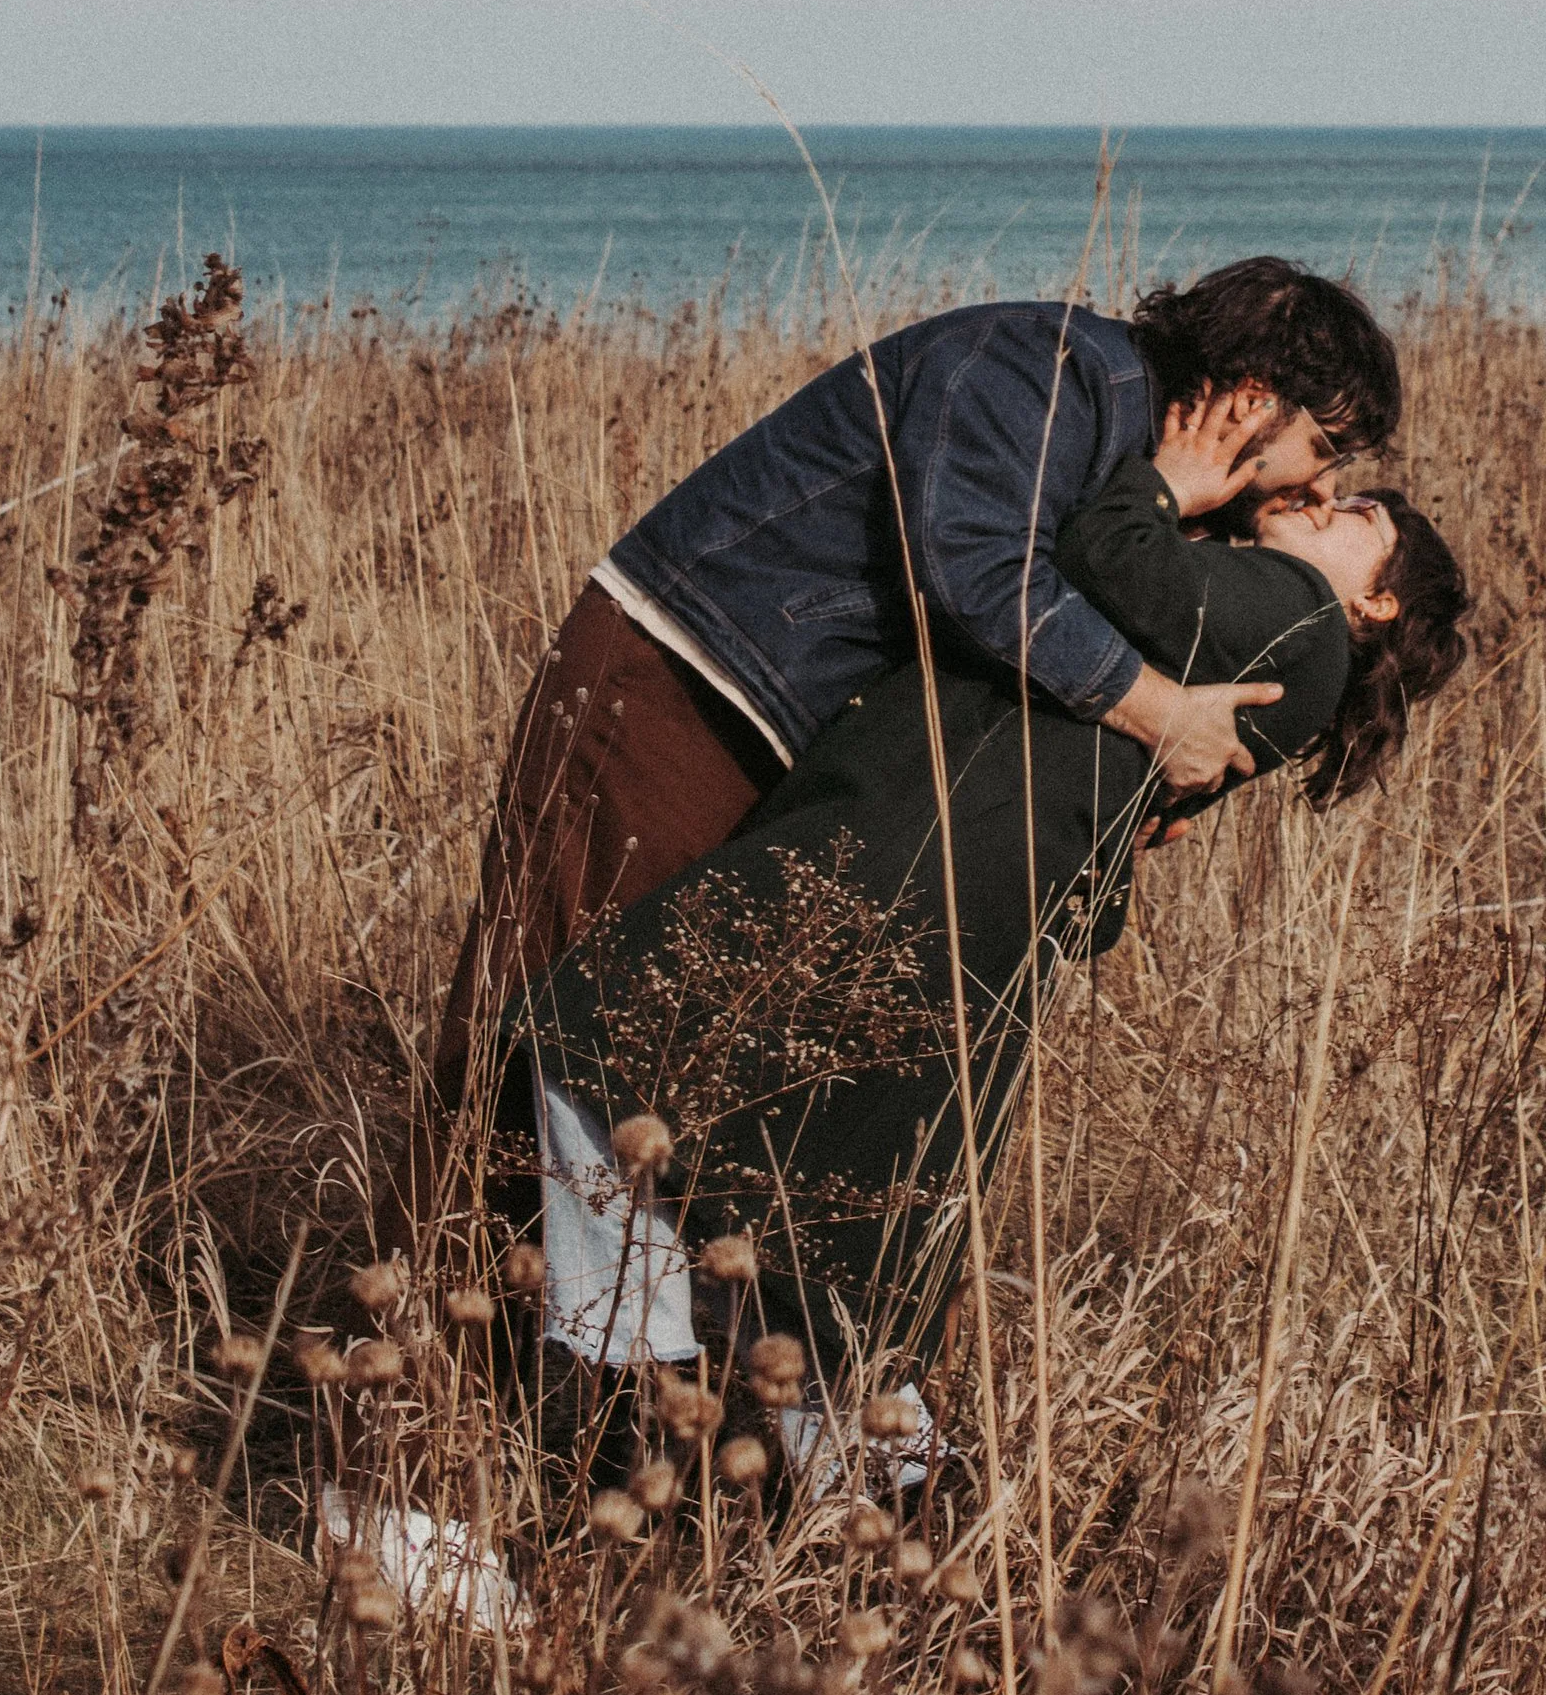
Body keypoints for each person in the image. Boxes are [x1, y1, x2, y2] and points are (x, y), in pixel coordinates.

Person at [510, 390, 1470, 1446]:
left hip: (905, 867)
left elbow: (1104, 557)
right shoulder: (1264, 633)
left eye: (1355, 515)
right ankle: (849, 1488)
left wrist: (1167, 480)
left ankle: (637, 1412)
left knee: (601, 1034)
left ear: (1374, 604)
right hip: (948, 898)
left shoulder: (1290, 610)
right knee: (824, 1212)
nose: (1322, 495)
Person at [431, 259, 1403, 1114]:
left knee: (644, 1067)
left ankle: (561, 1318)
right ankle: (425, 1313)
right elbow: (978, 568)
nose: (1315, 490)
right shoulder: (1044, 370)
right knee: (535, 1047)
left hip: (775, 722)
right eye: (1323, 449)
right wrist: (1153, 711)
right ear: (1251, 396)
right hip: (686, 679)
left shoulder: (1128, 455)